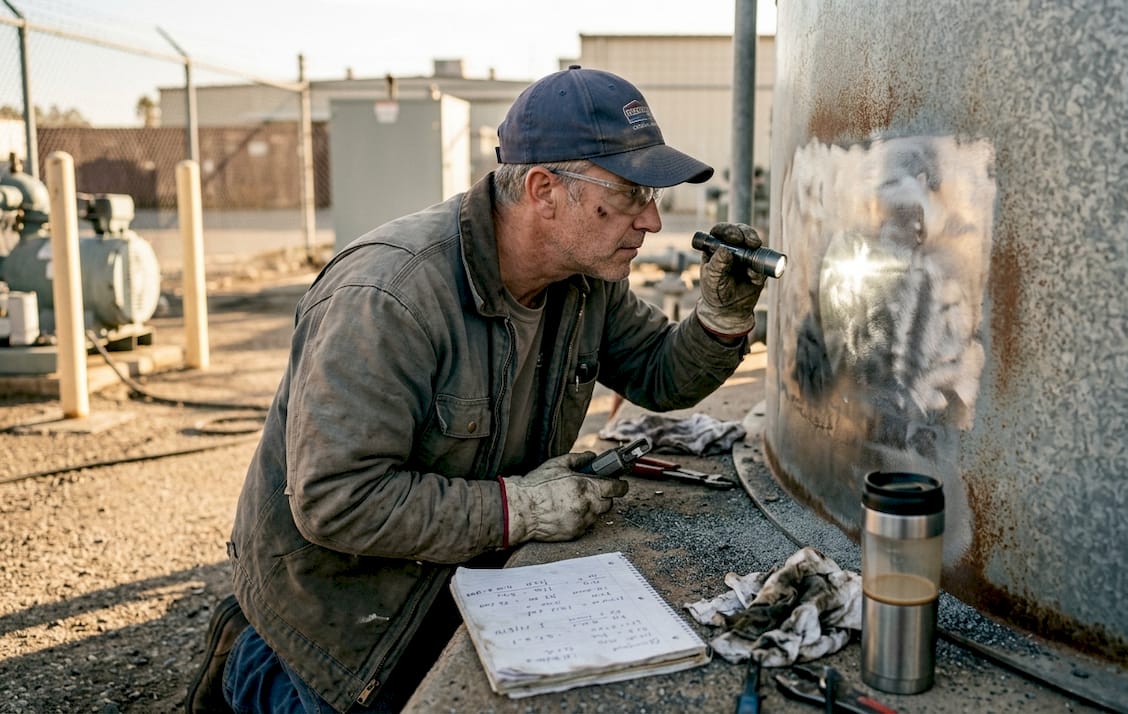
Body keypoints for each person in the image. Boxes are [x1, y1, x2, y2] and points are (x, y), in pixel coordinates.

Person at [184, 65, 767, 713]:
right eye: (632, 194)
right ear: (545, 190)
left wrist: (722, 318)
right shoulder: (388, 296)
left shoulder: (586, 281)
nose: (653, 221)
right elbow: (335, 501)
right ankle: (250, 667)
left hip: (460, 583)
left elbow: (659, 372)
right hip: (343, 636)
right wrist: (522, 509)